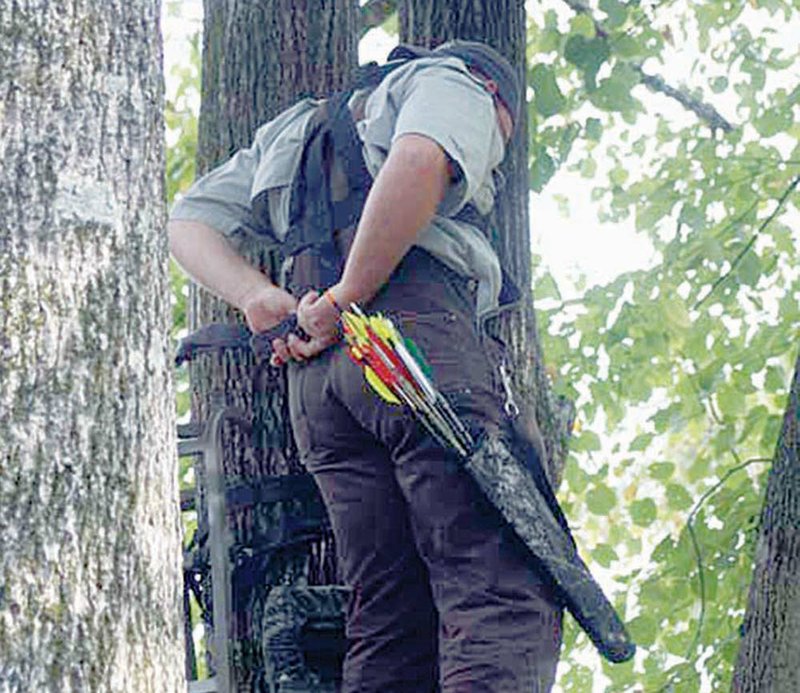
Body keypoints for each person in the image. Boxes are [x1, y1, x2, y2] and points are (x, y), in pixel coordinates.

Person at [169, 41, 563, 692]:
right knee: (497, 576)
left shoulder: (292, 132)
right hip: (406, 338)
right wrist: (349, 296)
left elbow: (185, 221)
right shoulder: (453, 81)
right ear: (493, 95)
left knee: (389, 613)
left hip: (320, 388)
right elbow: (420, 157)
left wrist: (258, 296)